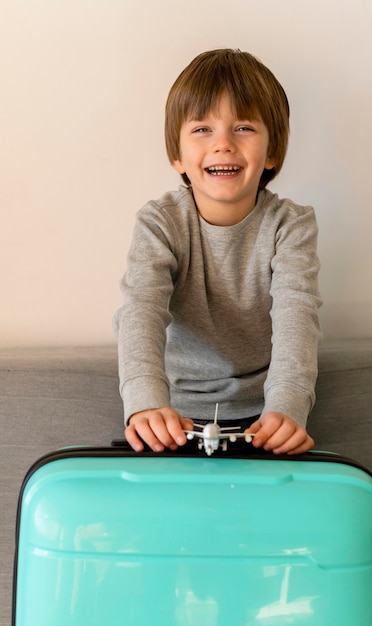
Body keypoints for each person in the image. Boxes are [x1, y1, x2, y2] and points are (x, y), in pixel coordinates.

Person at [114, 48, 322, 455]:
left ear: (273, 151)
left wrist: (287, 410)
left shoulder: (291, 225)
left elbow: (297, 315)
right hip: (174, 417)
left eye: (243, 127)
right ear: (177, 156)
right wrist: (146, 405)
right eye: (202, 129)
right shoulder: (159, 222)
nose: (223, 144)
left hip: (265, 416)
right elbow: (141, 311)